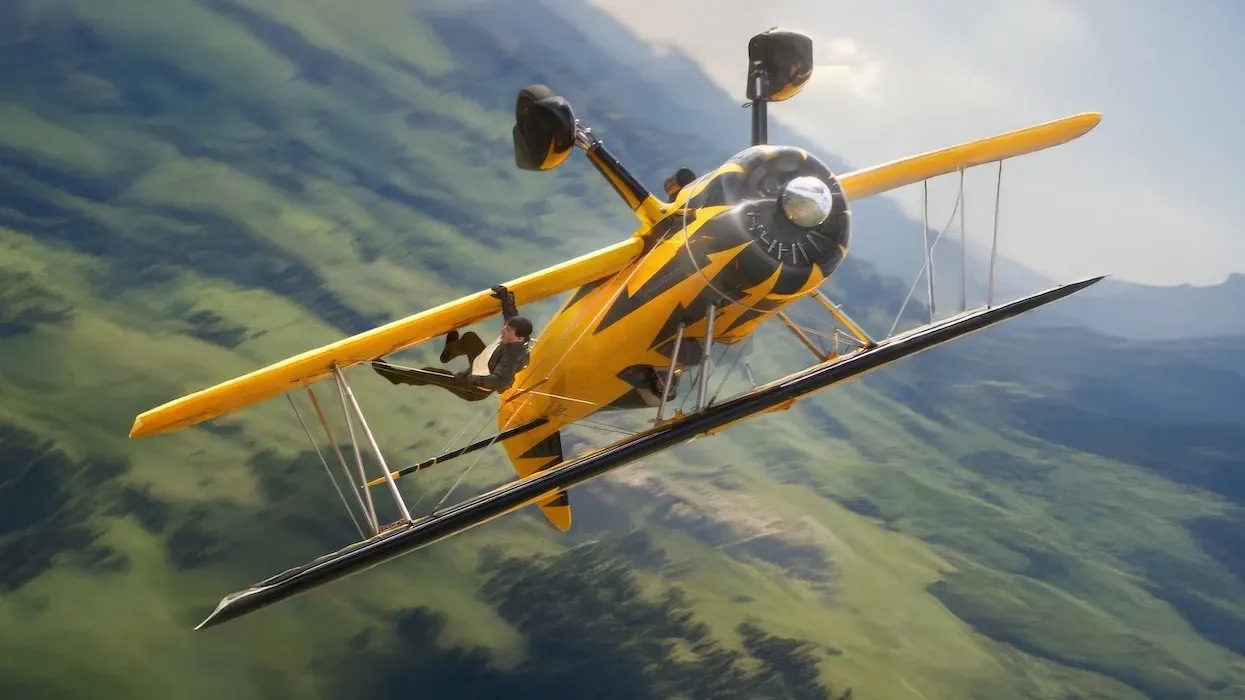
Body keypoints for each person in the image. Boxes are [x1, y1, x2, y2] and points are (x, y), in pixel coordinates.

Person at [371, 285, 533, 401]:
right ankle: (449, 351)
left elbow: (499, 382)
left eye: (508, 331)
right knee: (470, 338)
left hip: (473, 388)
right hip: (482, 364)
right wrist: (507, 297)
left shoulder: (511, 358)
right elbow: (512, 316)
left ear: (518, 339)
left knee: (431, 373)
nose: (503, 330)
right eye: (506, 327)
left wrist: (470, 379)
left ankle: (394, 376)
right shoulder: (516, 334)